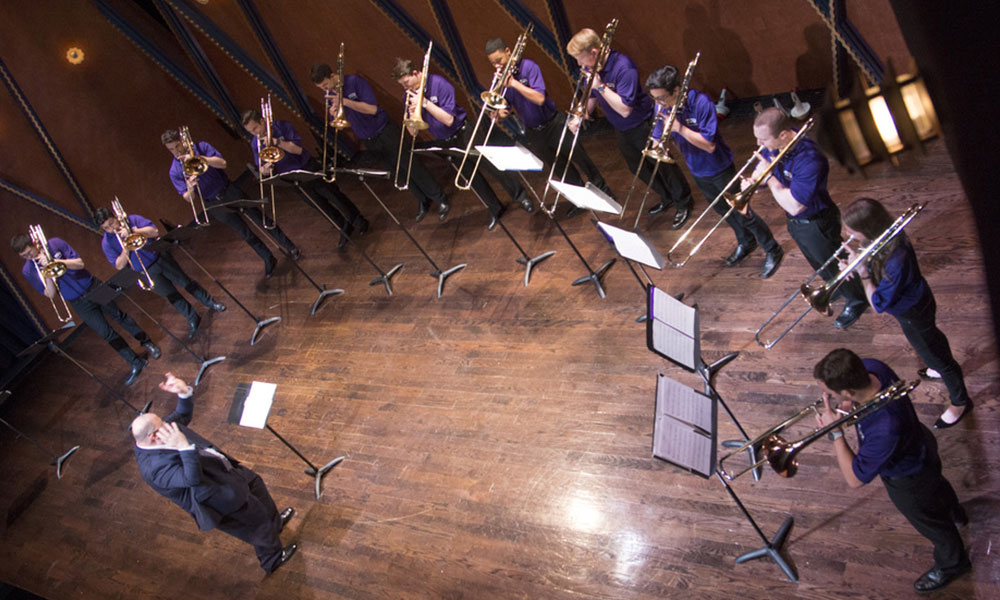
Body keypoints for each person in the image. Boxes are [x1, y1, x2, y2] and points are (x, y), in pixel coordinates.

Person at [813, 348, 971, 593]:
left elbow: (855, 479)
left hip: (908, 476)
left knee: (932, 524)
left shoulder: (884, 428)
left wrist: (834, 432)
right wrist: (848, 403)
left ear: (849, 390)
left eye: (833, 394)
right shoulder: (872, 366)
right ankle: (956, 513)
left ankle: (954, 563)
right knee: (937, 487)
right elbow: (858, 396)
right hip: (921, 444)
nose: (831, 398)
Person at [132, 372, 297, 574]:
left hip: (225, 472)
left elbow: (182, 416)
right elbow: (191, 478)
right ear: (154, 436)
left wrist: (183, 393)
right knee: (256, 522)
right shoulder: (154, 469)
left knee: (257, 486)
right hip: (217, 497)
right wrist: (183, 447)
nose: (168, 423)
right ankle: (272, 559)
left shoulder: (162, 432)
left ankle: (276, 524)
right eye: (162, 424)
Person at [842, 197, 972, 428]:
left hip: (913, 310)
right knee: (930, 344)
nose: (845, 232)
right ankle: (936, 364)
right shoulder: (884, 237)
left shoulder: (896, 258)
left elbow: (878, 304)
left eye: (850, 229)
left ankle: (960, 401)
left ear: (866, 228)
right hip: (912, 306)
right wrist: (856, 263)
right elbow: (876, 266)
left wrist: (862, 273)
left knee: (939, 356)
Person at [645, 65, 783, 277]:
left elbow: (709, 145)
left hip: (719, 167)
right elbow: (657, 134)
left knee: (742, 210)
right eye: (655, 99)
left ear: (676, 90)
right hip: (696, 169)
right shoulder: (662, 105)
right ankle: (746, 241)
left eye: (662, 98)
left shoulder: (701, 103)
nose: (658, 104)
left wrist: (680, 129)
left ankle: (773, 248)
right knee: (721, 210)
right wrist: (657, 144)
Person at [751, 108, 868, 328]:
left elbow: (795, 205)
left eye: (763, 140)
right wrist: (754, 183)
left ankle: (857, 299)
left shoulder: (811, 159)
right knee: (819, 263)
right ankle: (833, 286)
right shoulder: (774, 145)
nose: (760, 145)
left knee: (835, 262)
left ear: (784, 135)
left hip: (817, 221)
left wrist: (770, 179)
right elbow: (762, 166)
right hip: (797, 224)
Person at [566, 28, 693, 229]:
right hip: (622, 128)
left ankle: (683, 202)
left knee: (662, 165)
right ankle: (666, 196)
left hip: (642, 123)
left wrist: (600, 86)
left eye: (580, 59)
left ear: (594, 52)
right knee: (638, 168)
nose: (579, 65)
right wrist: (580, 116)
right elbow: (591, 95)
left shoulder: (624, 67)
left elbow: (625, 109)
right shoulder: (592, 69)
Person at [392, 57, 528, 230]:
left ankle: (521, 195)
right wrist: (412, 115)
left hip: (465, 132)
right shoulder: (408, 96)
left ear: (416, 73)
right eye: (402, 85)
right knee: (471, 178)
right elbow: (413, 133)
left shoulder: (438, 84)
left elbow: (449, 120)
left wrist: (424, 103)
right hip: (446, 142)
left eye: (407, 82)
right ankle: (495, 208)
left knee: (493, 166)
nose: (406, 88)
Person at [310, 62, 449, 222]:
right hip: (368, 138)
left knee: (410, 165)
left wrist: (345, 102)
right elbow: (341, 125)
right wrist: (334, 115)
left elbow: (372, 109)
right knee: (398, 172)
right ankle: (422, 199)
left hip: (384, 130)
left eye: (325, 84)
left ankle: (440, 198)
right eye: (321, 87)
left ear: (332, 75)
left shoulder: (354, 81)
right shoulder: (330, 95)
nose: (325, 89)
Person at [483, 37, 612, 210]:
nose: (498, 66)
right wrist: (499, 114)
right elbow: (506, 108)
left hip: (553, 124)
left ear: (508, 51)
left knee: (580, 158)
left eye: (499, 61)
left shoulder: (529, 67)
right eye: (493, 64)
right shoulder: (502, 81)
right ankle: (581, 201)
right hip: (533, 132)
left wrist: (513, 83)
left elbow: (540, 98)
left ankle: (605, 193)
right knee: (560, 169)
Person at [12, 233, 158, 386]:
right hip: (77, 302)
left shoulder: (55, 243)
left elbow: (80, 264)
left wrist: (55, 261)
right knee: (105, 333)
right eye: (24, 256)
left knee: (120, 316)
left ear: (35, 244)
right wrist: (47, 273)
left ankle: (147, 342)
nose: (29, 257)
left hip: (93, 286)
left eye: (30, 252)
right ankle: (135, 361)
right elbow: (50, 294)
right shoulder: (28, 270)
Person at [162, 129, 299, 278]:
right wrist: (190, 186)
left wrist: (200, 158)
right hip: (213, 203)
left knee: (261, 219)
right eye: (171, 149)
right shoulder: (174, 170)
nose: (176, 151)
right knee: (244, 233)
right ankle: (268, 258)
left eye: (177, 146)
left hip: (229, 190)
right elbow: (188, 198)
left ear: (182, 142)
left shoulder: (201, 147)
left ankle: (289, 246)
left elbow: (222, 163)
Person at [241, 109, 368, 249]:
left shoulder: (282, 127)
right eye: (251, 131)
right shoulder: (255, 143)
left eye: (255, 128)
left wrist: (276, 142)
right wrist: (265, 170)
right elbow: (261, 167)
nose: (255, 133)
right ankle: (343, 226)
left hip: (307, 166)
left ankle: (358, 220)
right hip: (290, 178)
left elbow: (298, 150)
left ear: (262, 121)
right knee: (319, 205)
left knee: (334, 195)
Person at [94, 207, 226, 339]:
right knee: (171, 295)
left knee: (185, 282)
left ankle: (210, 302)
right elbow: (119, 265)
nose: (111, 229)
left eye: (111, 223)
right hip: (145, 271)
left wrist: (133, 231)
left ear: (115, 217)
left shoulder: (132, 219)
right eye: (106, 228)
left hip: (159, 256)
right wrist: (126, 248)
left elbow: (154, 231)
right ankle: (192, 317)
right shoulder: (107, 243)